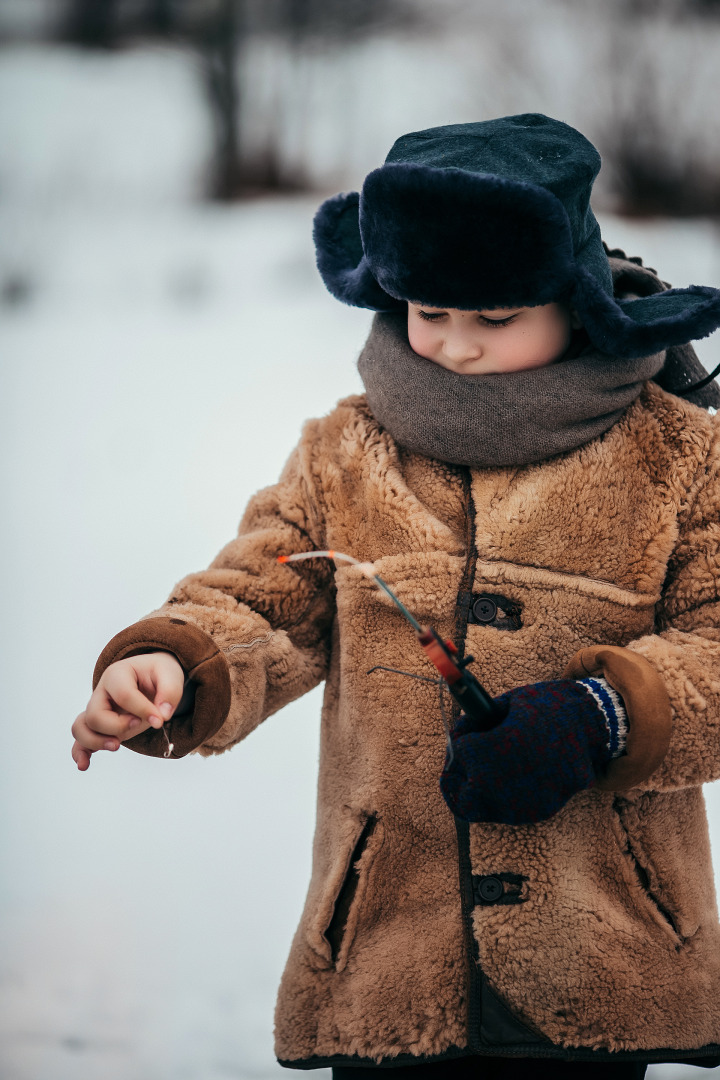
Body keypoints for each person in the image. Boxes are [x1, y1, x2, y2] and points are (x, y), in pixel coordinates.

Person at [71, 115, 720, 1078]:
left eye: (494, 319)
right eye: (429, 312)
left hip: (603, 964)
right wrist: (172, 661)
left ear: (575, 301)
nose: (453, 346)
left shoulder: (678, 457)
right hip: (386, 961)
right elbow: (259, 601)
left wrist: (604, 715)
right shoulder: (344, 455)